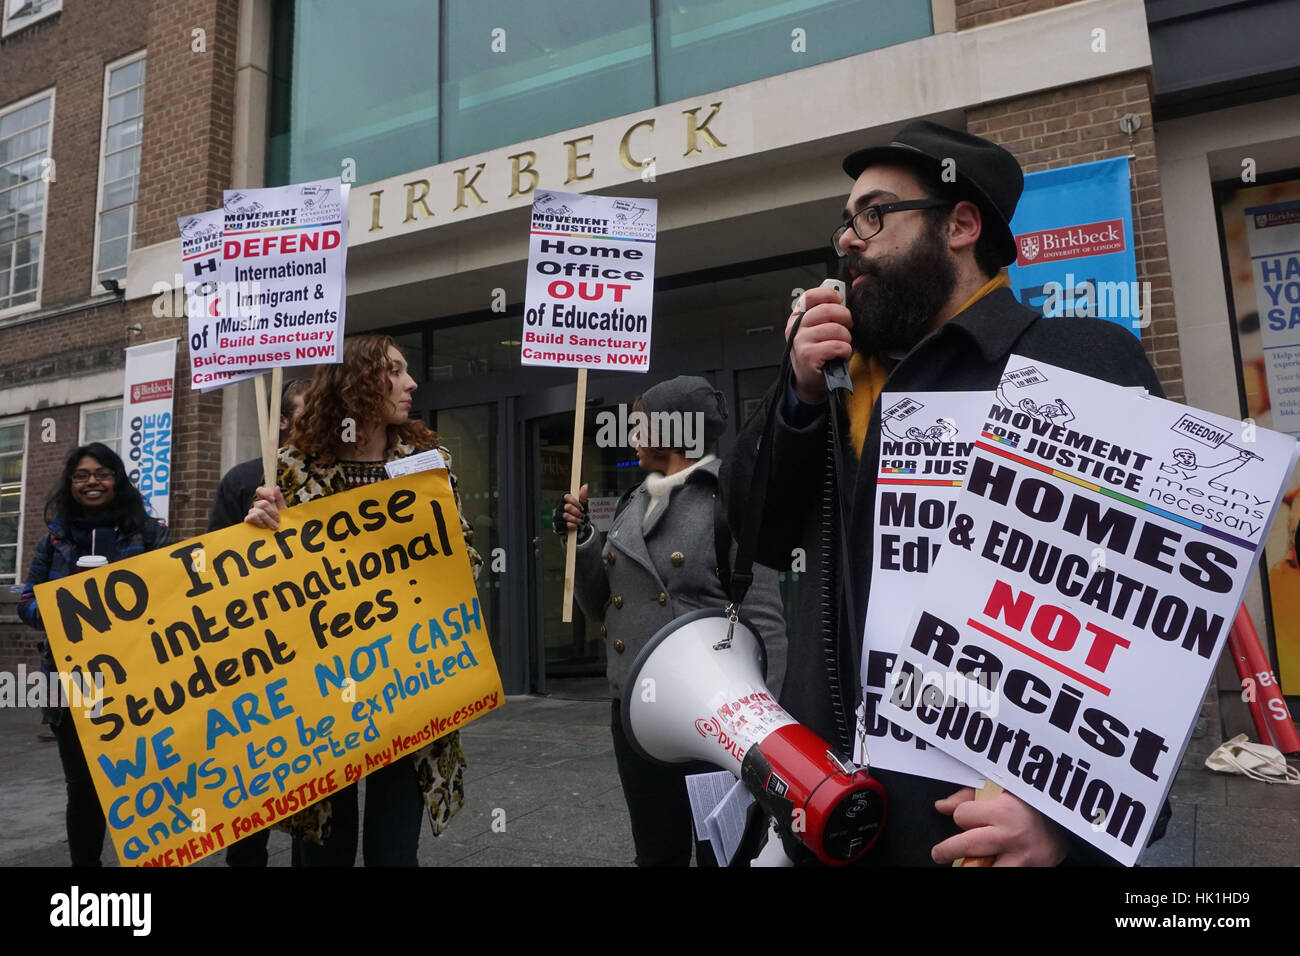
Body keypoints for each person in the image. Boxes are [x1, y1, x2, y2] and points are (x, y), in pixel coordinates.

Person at [721, 120, 1167, 866]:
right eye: (845, 222)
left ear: (960, 223)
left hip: (974, 837)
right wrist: (795, 395)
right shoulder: (832, 383)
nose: (847, 241)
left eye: (874, 213)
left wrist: (1070, 826)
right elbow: (750, 531)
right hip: (829, 817)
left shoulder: (1079, 362)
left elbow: (1154, 622)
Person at [244, 334, 482, 866]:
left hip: (409, 679)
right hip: (322, 695)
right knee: (323, 849)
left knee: (395, 850)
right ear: (356, 383)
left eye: (407, 371)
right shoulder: (286, 470)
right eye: (394, 371)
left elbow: (463, 561)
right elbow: (260, 592)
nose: (410, 383)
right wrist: (258, 533)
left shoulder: (428, 464)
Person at [557, 376, 786, 866]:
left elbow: (764, 621)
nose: (632, 432)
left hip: (713, 718)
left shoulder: (731, 500)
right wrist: (581, 542)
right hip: (636, 711)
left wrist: (766, 734)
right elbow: (601, 608)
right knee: (656, 851)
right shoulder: (631, 502)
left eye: (640, 422)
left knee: (719, 854)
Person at [18, 443, 171, 866]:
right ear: (70, 484)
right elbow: (25, 599)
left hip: (139, 679)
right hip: (71, 687)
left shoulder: (150, 533)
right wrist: (57, 611)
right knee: (83, 789)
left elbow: (173, 595)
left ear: (117, 481)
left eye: (102, 474)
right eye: (82, 475)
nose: (92, 482)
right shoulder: (55, 537)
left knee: (143, 784)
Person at [212, 376, 308, 867]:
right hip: (256, 664)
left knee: (315, 802)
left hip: (318, 663)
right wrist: (246, 539)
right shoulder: (242, 480)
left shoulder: (334, 481)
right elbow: (206, 572)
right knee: (252, 796)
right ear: (284, 422)